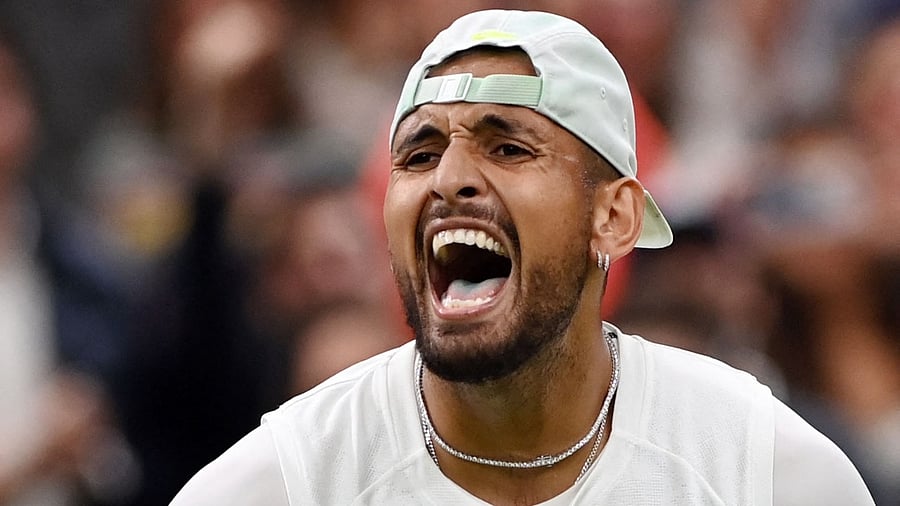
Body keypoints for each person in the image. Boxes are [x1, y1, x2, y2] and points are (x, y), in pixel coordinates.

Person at [171, 10, 874, 505]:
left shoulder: (770, 477)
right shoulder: (277, 488)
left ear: (614, 217)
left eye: (508, 147)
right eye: (418, 154)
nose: (449, 179)